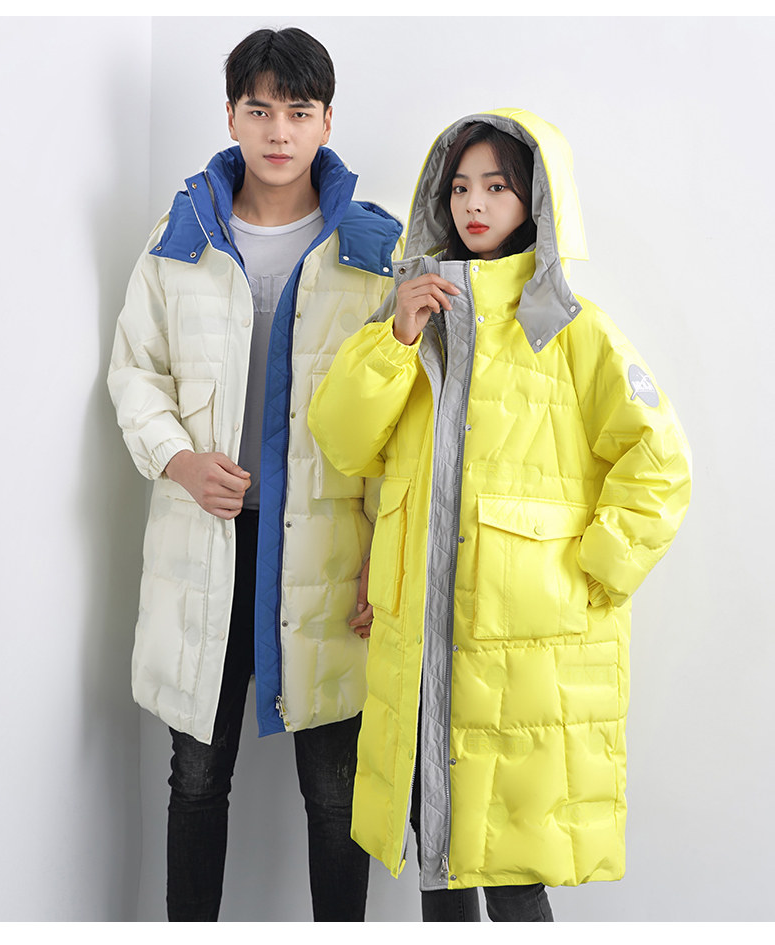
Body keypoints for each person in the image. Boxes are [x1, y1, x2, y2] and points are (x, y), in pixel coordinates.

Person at [309, 109, 692, 921]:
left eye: (496, 187)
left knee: (513, 871)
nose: (473, 205)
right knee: (437, 855)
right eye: (458, 187)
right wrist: (397, 337)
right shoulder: (412, 320)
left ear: (535, 201)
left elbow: (659, 462)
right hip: (420, 644)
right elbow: (342, 440)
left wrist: (594, 573)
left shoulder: (572, 332)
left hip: (524, 647)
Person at [108, 27, 402, 921]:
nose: (279, 131)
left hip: (328, 547)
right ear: (231, 115)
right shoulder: (182, 235)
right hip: (207, 540)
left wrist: (381, 554)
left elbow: (401, 421)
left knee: (336, 788)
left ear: (326, 122)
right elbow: (135, 372)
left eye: (299, 112)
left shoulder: (372, 248)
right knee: (197, 776)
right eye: (260, 109)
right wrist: (180, 460)